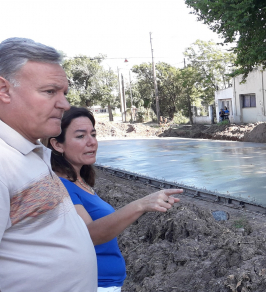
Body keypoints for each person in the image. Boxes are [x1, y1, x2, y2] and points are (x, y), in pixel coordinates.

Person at [47, 107, 183, 292]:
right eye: (80, 136)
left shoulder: (80, 181)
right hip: (93, 284)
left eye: (93, 134)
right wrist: (141, 204)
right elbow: (89, 235)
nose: (91, 142)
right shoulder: (59, 185)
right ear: (57, 145)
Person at [0, 38, 97, 291]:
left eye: (64, 92)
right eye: (49, 91)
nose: (64, 104)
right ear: (3, 90)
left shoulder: (33, 152)